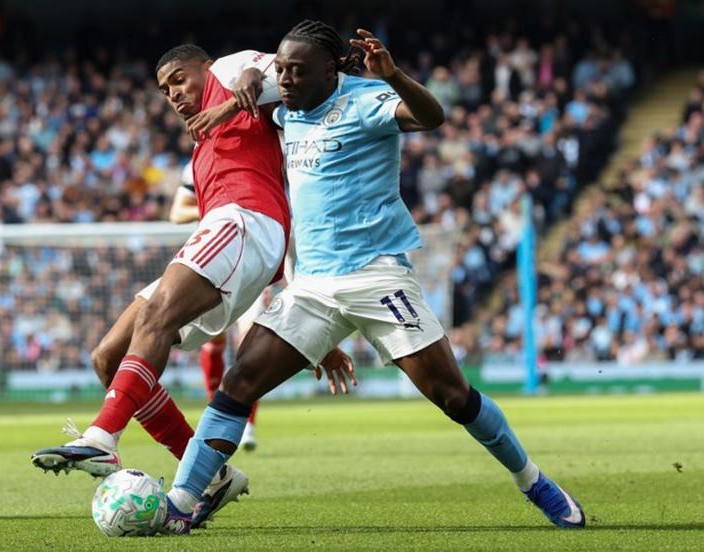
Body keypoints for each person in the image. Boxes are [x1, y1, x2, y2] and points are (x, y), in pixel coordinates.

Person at [159, 21, 586, 534]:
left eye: (297, 71)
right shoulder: (283, 110)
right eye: (283, 71)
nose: (286, 80)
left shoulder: (367, 100)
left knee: (453, 396)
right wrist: (249, 78)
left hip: (377, 276)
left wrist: (396, 75)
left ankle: (534, 482)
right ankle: (181, 502)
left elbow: (432, 116)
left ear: (331, 70)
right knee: (237, 384)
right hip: (313, 288)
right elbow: (255, 75)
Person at [32, 44, 352, 519]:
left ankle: (102, 437)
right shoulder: (203, 147)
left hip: (245, 221)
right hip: (232, 232)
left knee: (158, 316)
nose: (173, 94)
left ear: (204, 68)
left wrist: (244, 77)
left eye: (179, 80)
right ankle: (213, 477)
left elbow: (279, 69)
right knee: (108, 356)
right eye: (165, 90)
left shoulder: (226, 71)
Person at [169, 161, 262, 451]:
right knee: (214, 340)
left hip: (254, 261)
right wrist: (218, 209)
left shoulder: (260, 154)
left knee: (251, 341)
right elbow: (177, 213)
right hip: (214, 261)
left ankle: (247, 423)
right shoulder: (195, 165)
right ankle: (216, 414)